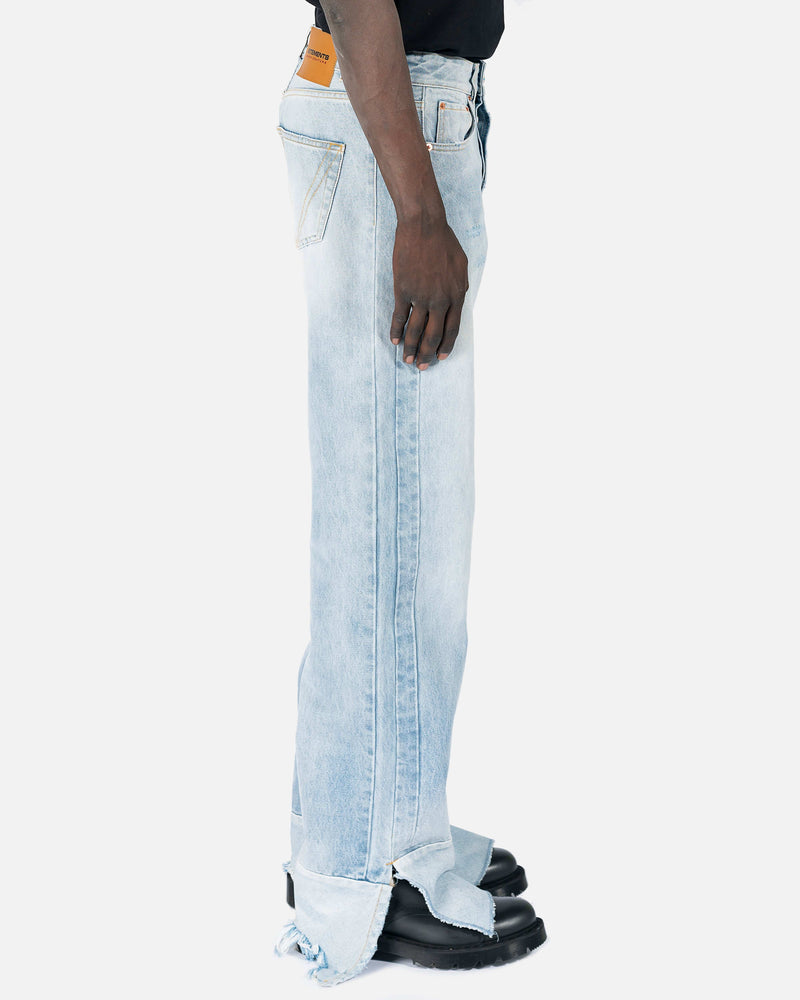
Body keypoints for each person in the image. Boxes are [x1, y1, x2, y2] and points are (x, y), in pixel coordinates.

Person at [274, 0, 546, 985]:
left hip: (414, 109)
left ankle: (397, 825)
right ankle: (359, 875)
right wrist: (420, 210)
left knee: (415, 534)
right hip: (390, 124)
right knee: (382, 536)